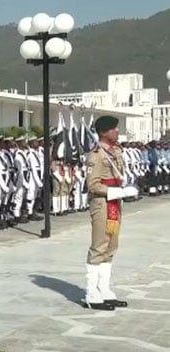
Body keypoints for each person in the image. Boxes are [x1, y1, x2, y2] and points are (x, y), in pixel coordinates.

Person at [83, 115, 138, 310]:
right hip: (102, 204)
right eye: (114, 128)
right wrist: (117, 191)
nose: (117, 131)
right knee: (99, 246)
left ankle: (103, 289)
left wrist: (122, 189)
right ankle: (91, 293)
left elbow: (117, 176)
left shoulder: (115, 151)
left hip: (115, 203)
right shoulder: (96, 155)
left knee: (111, 246)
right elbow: (92, 185)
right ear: (103, 132)